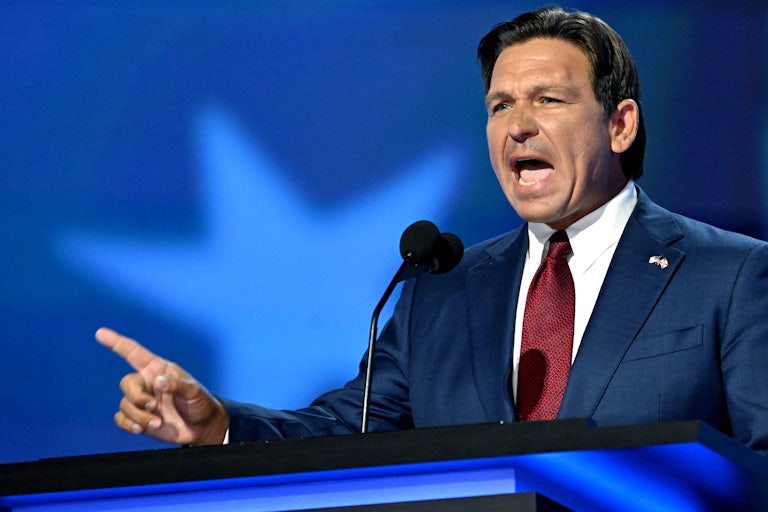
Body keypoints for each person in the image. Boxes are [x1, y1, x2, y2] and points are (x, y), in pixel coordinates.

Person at [96, 6, 768, 454]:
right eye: (500, 105)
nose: (518, 126)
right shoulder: (441, 291)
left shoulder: (732, 276)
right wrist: (219, 424)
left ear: (620, 125)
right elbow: (348, 431)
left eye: (548, 100)